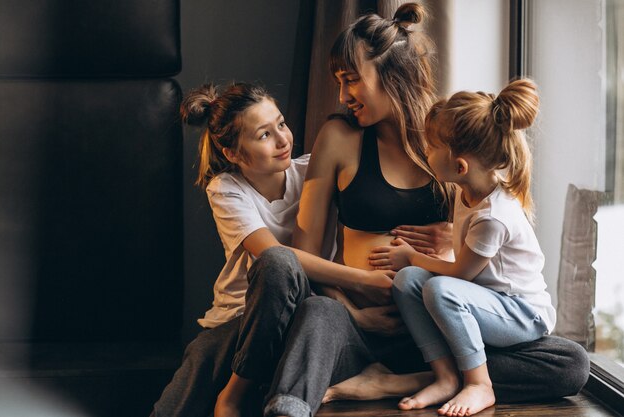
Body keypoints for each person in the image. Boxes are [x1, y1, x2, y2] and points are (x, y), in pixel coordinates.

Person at [263, 4, 588, 417]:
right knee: (317, 313)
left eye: (351, 81)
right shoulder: (339, 137)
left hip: (447, 327)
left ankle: (417, 380)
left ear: (391, 77)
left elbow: (497, 236)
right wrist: (360, 315)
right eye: (338, 82)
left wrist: (452, 240)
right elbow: (303, 257)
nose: (343, 95)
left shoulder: (449, 135)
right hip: (364, 326)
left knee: (570, 362)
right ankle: (288, 409)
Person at [150, 82, 396, 417]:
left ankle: (248, 396)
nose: (283, 140)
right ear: (233, 153)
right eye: (264, 135)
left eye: (281, 124)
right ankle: (233, 395)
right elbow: (276, 259)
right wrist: (364, 281)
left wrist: (446, 229)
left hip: (313, 317)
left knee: (317, 312)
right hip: (245, 322)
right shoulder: (226, 189)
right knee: (275, 265)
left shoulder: (314, 171)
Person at [386, 79, 553, 416]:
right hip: (489, 302)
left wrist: (411, 256)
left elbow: (459, 273)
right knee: (408, 282)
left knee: (439, 289)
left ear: (460, 165)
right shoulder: (468, 191)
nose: (425, 152)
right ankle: (446, 376)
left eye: (431, 147)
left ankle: (480, 383)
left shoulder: (494, 215)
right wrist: (412, 266)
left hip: (522, 314)